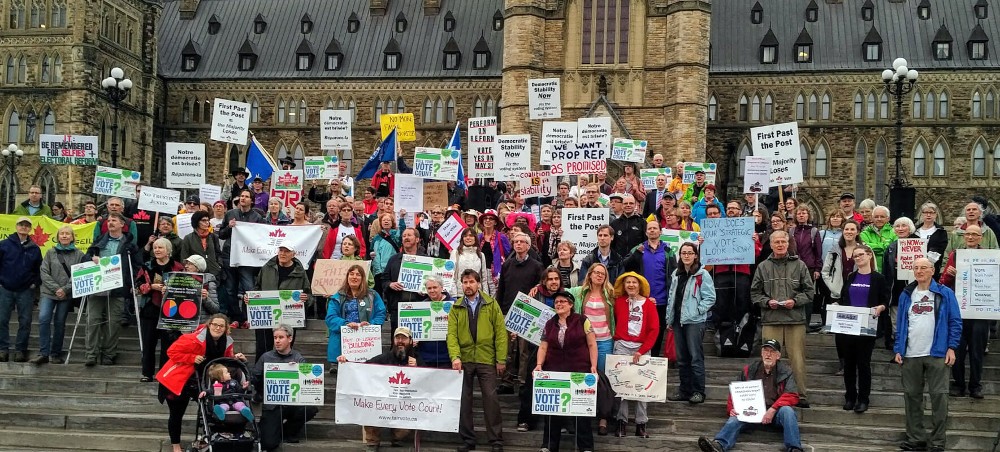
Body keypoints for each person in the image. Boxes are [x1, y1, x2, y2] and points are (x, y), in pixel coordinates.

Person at [894, 258, 962, 452]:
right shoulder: (907, 293)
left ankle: (938, 441)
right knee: (911, 396)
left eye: (924, 267)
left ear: (933, 270)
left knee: (939, 398)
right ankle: (915, 438)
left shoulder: (945, 293)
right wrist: (899, 348)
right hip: (910, 353)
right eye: (915, 268)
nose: (919, 271)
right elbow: (900, 323)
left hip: (937, 353)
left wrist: (952, 347)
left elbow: (955, 321)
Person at [157, 314, 248, 452]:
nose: (217, 328)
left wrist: (236, 358)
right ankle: (175, 445)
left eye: (221, 326)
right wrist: (192, 357)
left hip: (203, 380)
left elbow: (226, 359)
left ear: (226, 328)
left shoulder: (227, 341)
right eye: (214, 324)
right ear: (209, 325)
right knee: (176, 413)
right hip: (179, 379)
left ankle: (212, 439)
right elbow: (171, 351)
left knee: (210, 408)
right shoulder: (193, 338)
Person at [697, 339, 803, 452]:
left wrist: (772, 409)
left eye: (772, 351)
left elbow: (792, 395)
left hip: (775, 413)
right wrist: (731, 409)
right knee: (735, 417)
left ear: (778, 356)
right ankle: (719, 445)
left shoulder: (786, 372)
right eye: (765, 351)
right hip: (751, 411)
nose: (768, 354)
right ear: (761, 353)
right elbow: (736, 391)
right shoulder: (749, 370)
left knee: (787, 411)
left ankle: (794, 448)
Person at [751, 230, 814, 408]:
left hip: (795, 320)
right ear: (770, 245)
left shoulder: (800, 265)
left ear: (788, 244)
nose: (780, 245)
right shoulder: (763, 266)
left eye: (783, 242)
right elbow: (754, 293)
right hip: (771, 320)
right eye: (776, 242)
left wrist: (795, 301)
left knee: (797, 360)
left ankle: (800, 395)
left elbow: (809, 292)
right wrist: (765, 301)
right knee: (769, 361)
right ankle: (769, 397)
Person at [448, 269, 507, 452]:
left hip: (486, 358)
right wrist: (455, 356)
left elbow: (500, 334)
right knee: (464, 401)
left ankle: (496, 440)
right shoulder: (456, 307)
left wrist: (501, 359)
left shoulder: (491, 304)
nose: (468, 285)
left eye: (471, 282)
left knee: (491, 399)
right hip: (464, 359)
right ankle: (468, 440)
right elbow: (451, 335)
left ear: (479, 284)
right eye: (465, 282)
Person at [534, 290, 598, 452]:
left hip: (578, 371)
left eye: (563, 302)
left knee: (581, 411)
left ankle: (585, 447)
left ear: (570, 305)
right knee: (552, 410)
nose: (559, 304)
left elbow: (592, 344)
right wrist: (539, 364)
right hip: (555, 370)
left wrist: (593, 366)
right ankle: (548, 445)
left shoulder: (583, 320)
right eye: (556, 302)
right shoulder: (549, 323)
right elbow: (543, 346)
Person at [345, 326, 423, 451]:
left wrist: (418, 368)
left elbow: (427, 382)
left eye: (404, 338)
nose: (400, 341)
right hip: (382, 403)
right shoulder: (383, 358)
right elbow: (361, 369)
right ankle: (372, 442)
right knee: (369, 405)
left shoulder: (417, 360)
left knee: (404, 430)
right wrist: (346, 362)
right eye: (397, 338)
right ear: (393, 341)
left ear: (410, 341)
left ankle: (396, 437)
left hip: (404, 405)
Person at [83, 213, 143, 366]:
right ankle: (91, 354)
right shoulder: (99, 241)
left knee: (113, 322)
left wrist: (132, 284)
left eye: (114, 220)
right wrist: (91, 259)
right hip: (98, 286)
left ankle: (109, 353)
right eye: (108, 220)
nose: (110, 223)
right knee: (93, 320)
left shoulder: (129, 244)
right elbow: (85, 258)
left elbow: (136, 267)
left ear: (122, 224)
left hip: (118, 287)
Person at [837, 244, 888, 413]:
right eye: (855, 256)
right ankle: (850, 397)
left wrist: (881, 307)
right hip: (849, 326)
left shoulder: (878, 278)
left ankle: (863, 399)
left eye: (860, 255)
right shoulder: (851, 277)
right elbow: (844, 298)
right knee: (849, 364)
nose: (857, 258)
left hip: (867, 328)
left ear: (869, 256)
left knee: (863, 364)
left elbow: (885, 301)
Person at [939, 225, 989, 399]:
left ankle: (975, 385)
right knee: (957, 349)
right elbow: (943, 283)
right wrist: (950, 274)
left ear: (981, 237)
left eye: (975, 234)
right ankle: (959, 384)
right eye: (968, 234)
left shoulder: (990, 256)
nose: (971, 237)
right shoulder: (955, 255)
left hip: (981, 311)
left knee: (977, 350)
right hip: (959, 310)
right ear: (963, 236)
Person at [253, 325, 319, 451]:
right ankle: (273, 429)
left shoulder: (298, 358)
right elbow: (254, 377)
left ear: (290, 339)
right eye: (275, 338)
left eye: (281, 337)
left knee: (310, 408)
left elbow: (307, 382)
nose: (277, 341)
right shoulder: (266, 357)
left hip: (292, 403)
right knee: (269, 444)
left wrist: (298, 370)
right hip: (272, 405)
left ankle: (289, 431)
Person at [666, 242, 716, 404]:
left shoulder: (702, 274)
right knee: (682, 359)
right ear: (680, 255)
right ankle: (684, 390)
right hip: (678, 321)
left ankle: (698, 391)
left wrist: (698, 311)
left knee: (695, 357)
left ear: (695, 255)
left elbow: (710, 297)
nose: (686, 255)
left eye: (690, 253)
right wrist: (669, 317)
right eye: (683, 253)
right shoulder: (676, 274)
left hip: (694, 322)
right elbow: (672, 297)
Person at [611, 272, 659, 438]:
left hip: (641, 348)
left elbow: (654, 330)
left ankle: (641, 423)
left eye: (634, 282)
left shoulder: (649, 304)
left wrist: (642, 350)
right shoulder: (618, 302)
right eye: (627, 282)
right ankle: (621, 422)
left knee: (642, 387)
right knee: (621, 387)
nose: (631, 285)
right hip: (622, 346)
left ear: (640, 285)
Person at [622, 220, 676, 357]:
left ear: (660, 231)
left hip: (661, 301)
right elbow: (625, 265)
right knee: (641, 330)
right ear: (646, 232)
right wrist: (637, 254)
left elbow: (674, 274)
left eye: (655, 228)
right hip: (641, 300)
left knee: (657, 332)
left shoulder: (668, 251)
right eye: (649, 228)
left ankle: (655, 359)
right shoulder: (638, 248)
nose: (652, 230)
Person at [32, 225, 84, 364]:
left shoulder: (79, 254)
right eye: (62, 234)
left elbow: (78, 274)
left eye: (68, 234)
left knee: (60, 323)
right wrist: (56, 289)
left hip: (65, 295)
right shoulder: (50, 252)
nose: (65, 236)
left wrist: (65, 289)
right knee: (43, 319)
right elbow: (44, 272)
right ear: (58, 236)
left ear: (72, 237)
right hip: (49, 293)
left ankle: (55, 353)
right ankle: (43, 352)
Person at [251, 244, 311, 360]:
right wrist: (250, 299)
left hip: (289, 317)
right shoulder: (267, 267)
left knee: (285, 350)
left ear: (293, 254)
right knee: (262, 348)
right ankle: (260, 374)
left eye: (287, 251)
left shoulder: (300, 272)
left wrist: (306, 298)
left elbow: (309, 294)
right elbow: (257, 288)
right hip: (266, 316)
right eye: (281, 250)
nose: (282, 254)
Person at [137, 238, 185, 382]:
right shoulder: (146, 266)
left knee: (168, 343)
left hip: (172, 310)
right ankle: (147, 373)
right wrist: (151, 287)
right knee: (148, 342)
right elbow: (138, 285)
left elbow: (185, 287)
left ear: (168, 251)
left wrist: (170, 289)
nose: (157, 250)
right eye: (155, 247)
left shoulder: (178, 267)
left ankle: (164, 373)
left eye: (161, 248)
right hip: (151, 308)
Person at [325, 264, 386, 371]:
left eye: (358, 275)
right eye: (351, 274)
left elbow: (381, 313)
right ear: (347, 277)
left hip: (365, 345)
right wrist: (346, 324)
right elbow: (331, 318)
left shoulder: (373, 295)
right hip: (341, 345)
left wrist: (370, 326)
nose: (354, 277)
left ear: (363, 278)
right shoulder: (337, 296)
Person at [217, 189, 263, 328]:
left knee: (249, 288)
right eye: (241, 196)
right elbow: (221, 234)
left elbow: (261, 237)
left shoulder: (257, 217)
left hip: (248, 258)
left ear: (252, 200)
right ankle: (236, 318)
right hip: (230, 255)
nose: (243, 198)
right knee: (231, 289)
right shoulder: (230, 214)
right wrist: (229, 227)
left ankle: (248, 317)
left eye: (246, 196)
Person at [0, 216, 42, 363]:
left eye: (26, 225)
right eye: (21, 225)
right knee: (2, 320)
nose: (24, 227)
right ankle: (2, 349)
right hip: (5, 288)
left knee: (25, 321)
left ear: (29, 228)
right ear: (16, 226)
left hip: (25, 290)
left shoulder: (35, 248)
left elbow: (38, 270)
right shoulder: (4, 245)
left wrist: (34, 284)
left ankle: (20, 350)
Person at [881, 216, 919, 350]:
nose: (900, 228)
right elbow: (886, 271)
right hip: (895, 290)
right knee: (896, 322)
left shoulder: (919, 244)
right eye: (897, 226)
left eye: (904, 226)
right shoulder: (891, 247)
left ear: (910, 228)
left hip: (914, 289)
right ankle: (899, 348)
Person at [383, 228, 424, 331]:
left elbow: (434, 283)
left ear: (417, 239)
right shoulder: (393, 259)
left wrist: (426, 291)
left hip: (420, 307)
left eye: (409, 235)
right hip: (398, 308)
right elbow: (384, 280)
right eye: (404, 236)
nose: (406, 238)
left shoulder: (426, 260)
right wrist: (390, 284)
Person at [417, 276, 454, 368]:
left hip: (448, 356)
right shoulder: (421, 306)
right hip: (426, 357)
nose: (432, 290)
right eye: (429, 288)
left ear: (441, 287)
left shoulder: (454, 304)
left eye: (435, 287)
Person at [451, 229, 494, 295]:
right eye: (465, 236)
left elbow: (484, 278)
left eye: (471, 236)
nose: (468, 238)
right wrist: (453, 296)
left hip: (477, 294)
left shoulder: (481, 255)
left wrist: (485, 296)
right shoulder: (455, 253)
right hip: (460, 294)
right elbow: (452, 277)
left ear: (475, 238)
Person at [179, 210, 222, 277]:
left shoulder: (213, 236)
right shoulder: (188, 238)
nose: (207, 223)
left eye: (208, 220)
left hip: (213, 273)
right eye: (203, 220)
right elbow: (184, 257)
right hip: (196, 274)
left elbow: (218, 254)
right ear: (197, 222)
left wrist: (219, 265)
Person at [915, 202, 949, 278]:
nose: (928, 215)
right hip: (916, 267)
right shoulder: (914, 231)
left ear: (936, 214)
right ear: (922, 214)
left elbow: (941, 249)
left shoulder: (941, 231)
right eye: (926, 212)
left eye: (931, 212)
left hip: (933, 267)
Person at [479, 209, 511, 287]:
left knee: (495, 297)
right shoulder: (478, 237)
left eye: (491, 218)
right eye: (485, 218)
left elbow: (509, 254)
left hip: (496, 272)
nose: (488, 220)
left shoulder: (501, 237)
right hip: (480, 272)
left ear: (495, 222)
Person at [859, 205, 894, 272]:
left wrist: (873, 246)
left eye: (882, 217)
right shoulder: (864, 233)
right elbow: (866, 250)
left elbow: (894, 250)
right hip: (871, 270)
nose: (879, 219)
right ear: (872, 218)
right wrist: (885, 246)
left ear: (888, 218)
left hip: (889, 271)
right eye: (876, 217)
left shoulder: (894, 232)